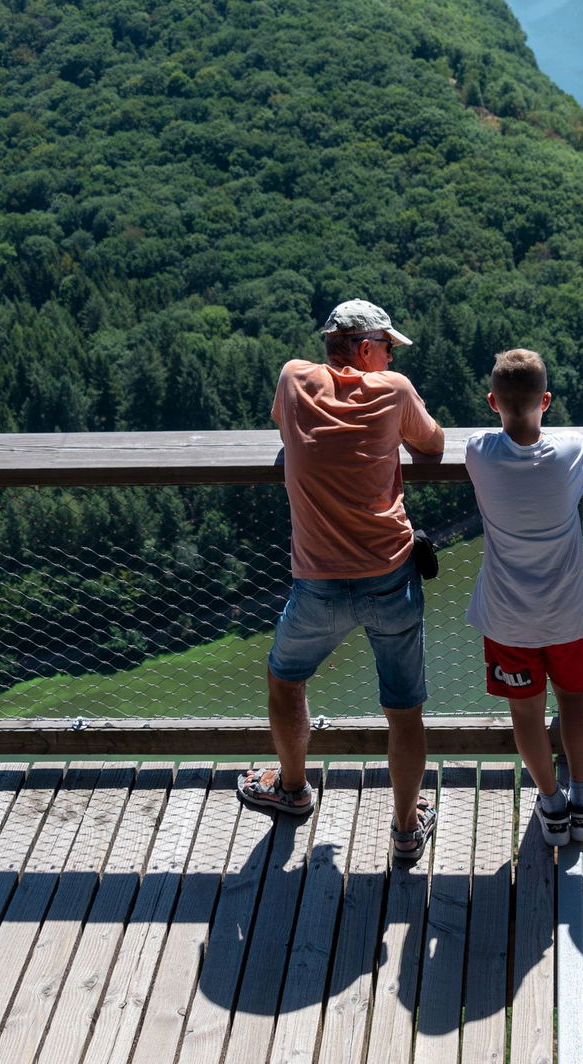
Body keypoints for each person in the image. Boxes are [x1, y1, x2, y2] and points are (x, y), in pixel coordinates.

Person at [238, 298, 446, 865]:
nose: (391, 356)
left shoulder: (292, 379)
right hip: (391, 577)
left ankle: (293, 788)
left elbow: (287, 431)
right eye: (386, 347)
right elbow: (434, 445)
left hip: (318, 584)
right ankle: (406, 828)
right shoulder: (396, 391)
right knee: (404, 711)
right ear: (363, 348)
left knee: (285, 680)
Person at [465, 349, 583, 846]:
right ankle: (582, 800)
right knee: (575, 704)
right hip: (568, 612)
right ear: (546, 400)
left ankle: (550, 808)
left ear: (492, 402)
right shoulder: (571, 455)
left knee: (525, 713)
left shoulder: (478, 453)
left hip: (507, 618)